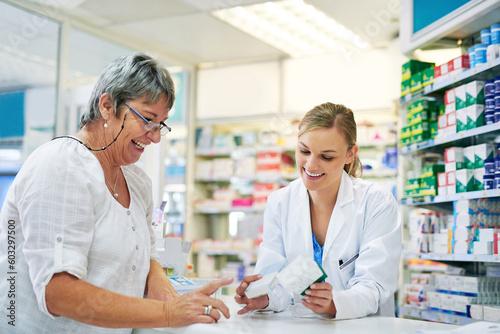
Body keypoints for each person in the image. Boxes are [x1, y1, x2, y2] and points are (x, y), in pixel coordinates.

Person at [0, 52, 232, 333]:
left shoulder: (136, 181)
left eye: (161, 124)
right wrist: (167, 313)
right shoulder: (61, 165)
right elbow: (57, 292)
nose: (156, 136)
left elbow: (147, 255)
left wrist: (168, 293)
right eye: (148, 119)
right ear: (107, 106)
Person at [235, 102, 401, 319]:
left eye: (327, 157)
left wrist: (335, 304)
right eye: (304, 151)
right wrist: (264, 297)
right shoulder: (280, 203)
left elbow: (375, 286)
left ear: (350, 154)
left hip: (360, 328)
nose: (311, 165)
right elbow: (277, 281)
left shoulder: (376, 202)